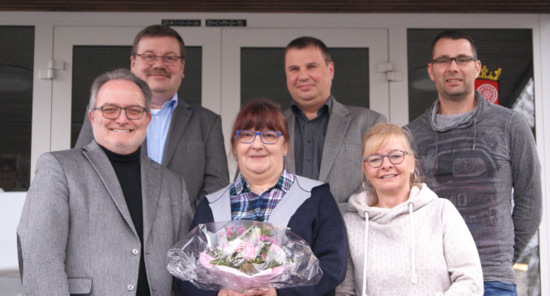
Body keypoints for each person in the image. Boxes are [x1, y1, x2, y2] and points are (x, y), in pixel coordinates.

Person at [17, 69, 193, 295]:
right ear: (92, 117)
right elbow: (40, 258)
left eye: (134, 110)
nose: (122, 118)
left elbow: (184, 267)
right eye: (110, 109)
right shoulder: (59, 168)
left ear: (147, 118)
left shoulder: (172, 184)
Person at [405, 30, 542, 295]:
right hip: (431, 279)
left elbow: (530, 201)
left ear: (476, 67)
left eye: (462, 59)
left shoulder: (510, 124)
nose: (453, 67)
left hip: (491, 278)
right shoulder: (410, 136)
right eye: (444, 60)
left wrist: (501, 257)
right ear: (431, 71)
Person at [179, 98, 348, 296]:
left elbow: (333, 266)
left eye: (268, 135)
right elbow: (188, 272)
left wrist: (279, 294)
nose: (256, 145)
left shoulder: (316, 197)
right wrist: (218, 294)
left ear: (285, 146)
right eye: (246, 135)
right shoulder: (212, 205)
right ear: (235, 147)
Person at [75, 24, 229, 208]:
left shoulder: (207, 122)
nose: (159, 64)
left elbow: (217, 186)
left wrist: (187, 226)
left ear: (182, 67)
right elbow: (82, 170)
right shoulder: (104, 114)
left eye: (169, 58)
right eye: (149, 56)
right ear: (133, 64)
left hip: (186, 233)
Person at [336, 123, 483, 295]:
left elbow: (470, 280)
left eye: (396, 156)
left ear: (412, 163)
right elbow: (344, 291)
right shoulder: (350, 224)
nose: (386, 165)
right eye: (375, 159)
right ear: (365, 170)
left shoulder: (441, 212)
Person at [283, 36, 387, 212]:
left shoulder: (369, 123)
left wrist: (327, 219)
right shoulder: (269, 128)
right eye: (294, 69)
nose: (302, 76)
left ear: (330, 70)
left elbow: (381, 184)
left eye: (311, 67)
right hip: (283, 235)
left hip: (350, 232)